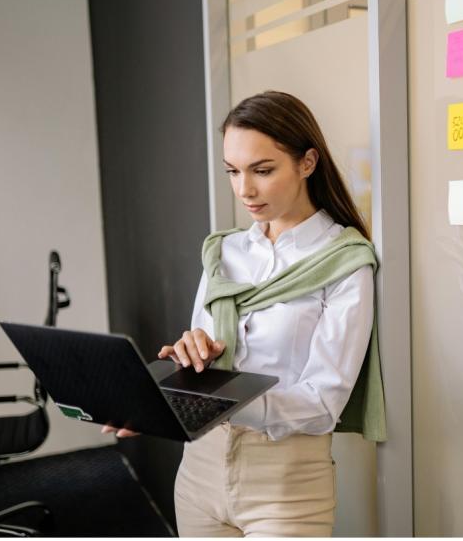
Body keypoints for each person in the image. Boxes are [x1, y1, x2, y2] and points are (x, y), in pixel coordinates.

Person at [102, 90, 385, 536]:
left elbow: (323, 402)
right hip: (198, 472)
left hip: (286, 487)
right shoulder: (224, 252)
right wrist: (181, 369)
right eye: (233, 171)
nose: (244, 190)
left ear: (307, 163)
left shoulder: (345, 260)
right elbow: (203, 362)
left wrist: (213, 404)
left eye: (263, 170)